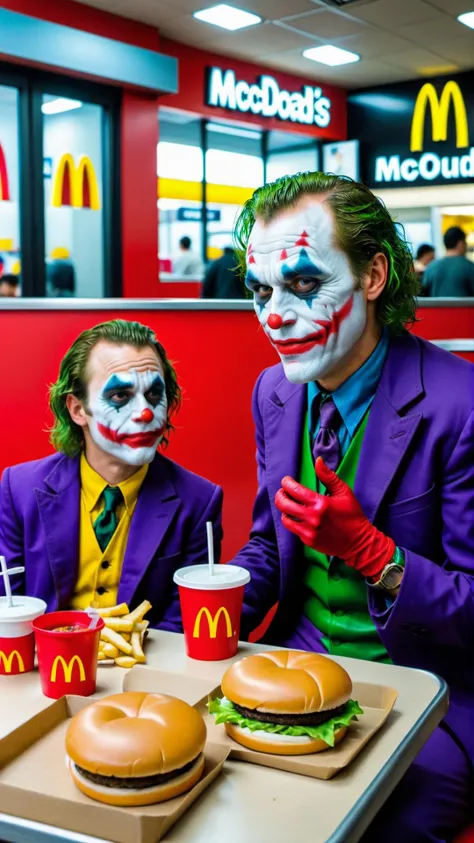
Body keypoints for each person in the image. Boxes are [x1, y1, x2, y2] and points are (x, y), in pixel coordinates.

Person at [231, 172, 474, 842]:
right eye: (261, 291)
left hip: (430, 689)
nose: (275, 315)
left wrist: (374, 553)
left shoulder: (461, 402)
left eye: (304, 284)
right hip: (295, 661)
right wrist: (184, 620)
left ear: (373, 275)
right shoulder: (272, 392)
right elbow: (266, 545)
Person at [0, 319, 222, 629]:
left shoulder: (198, 501)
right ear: (78, 410)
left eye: (155, 395)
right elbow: (6, 604)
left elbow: (182, 622)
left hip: (147, 667)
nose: (145, 413)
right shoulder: (18, 489)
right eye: (120, 396)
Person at [423, 226, 474, 297]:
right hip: (462, 308)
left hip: (436, 308)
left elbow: (423, 295)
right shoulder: (469, 267)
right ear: (460, 243)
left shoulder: (431, 267)